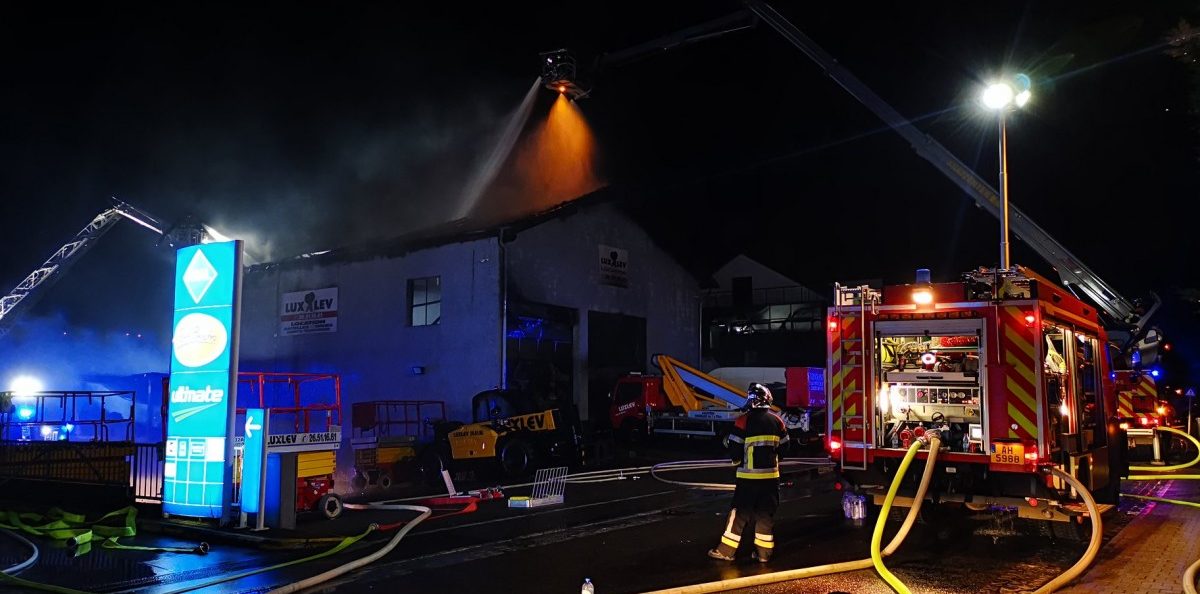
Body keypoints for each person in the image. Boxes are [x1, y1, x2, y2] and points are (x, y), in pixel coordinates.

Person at [708, 382, 790, 563]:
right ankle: (764, 554)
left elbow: (735, 449)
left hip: (748, 479)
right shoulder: (777, 421)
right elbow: (785, 448)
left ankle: (726, 551)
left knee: (739, 513)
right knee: (765, 514)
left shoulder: (743, 421)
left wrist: (736, 463)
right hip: (771, 479)